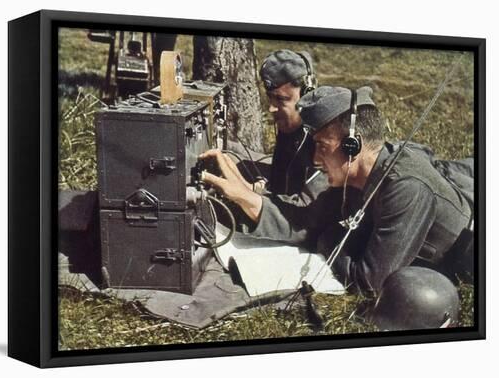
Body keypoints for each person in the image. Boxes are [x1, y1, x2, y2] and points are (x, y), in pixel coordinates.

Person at [200, 85, 474, 296]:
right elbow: (306, 221)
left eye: (322, 145)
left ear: (353, 145)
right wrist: (248, 196)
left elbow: (371, 282)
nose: (316, 159)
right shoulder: (358, 177)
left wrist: (328, 240)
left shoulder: (405, 187)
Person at [227, 49, 326, 202]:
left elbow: (303, 212)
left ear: (307, 95)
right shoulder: (290, 127)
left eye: (281, 99)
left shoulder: (324, 138)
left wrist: (244, 192)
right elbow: (278, 185)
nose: (271, 108)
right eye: (270, 98)